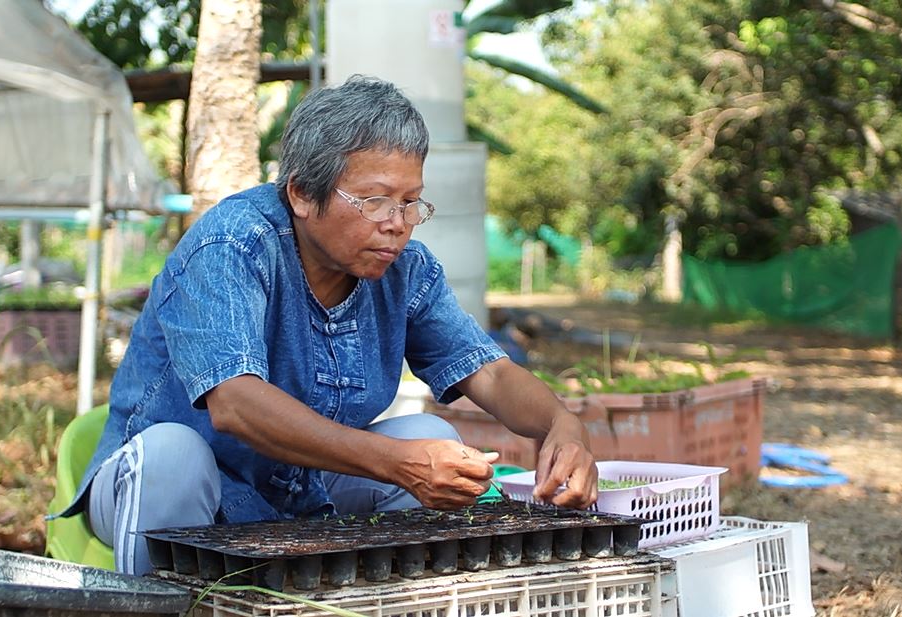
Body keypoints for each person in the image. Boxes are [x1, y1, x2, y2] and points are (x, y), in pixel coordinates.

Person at [55, 75, 598, 575]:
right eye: (375, 201)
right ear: (301, 193)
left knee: (430, 436)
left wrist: (562, 425)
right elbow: (235, 404)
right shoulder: (231, 245)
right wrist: (396, 463)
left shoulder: (405, 271)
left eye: (411, 202)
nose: (397, 224)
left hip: (297, 492)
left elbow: (492, 374)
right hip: (161, 489)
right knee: (175, 454)